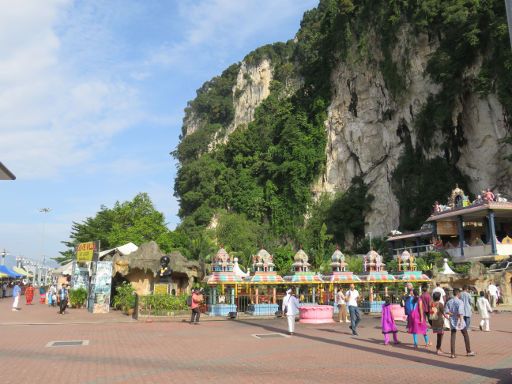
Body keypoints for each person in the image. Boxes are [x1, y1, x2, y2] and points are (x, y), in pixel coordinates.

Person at [444, 288, 475, 358]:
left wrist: (452, 314)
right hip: (459, 319)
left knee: (453, 335)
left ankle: (452, 353)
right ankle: (468, 351)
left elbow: (446, 311)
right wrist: (461, 321)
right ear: (458, 294)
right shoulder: (460, 302)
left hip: (452, 320)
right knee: (465, 334)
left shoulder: (449, 301)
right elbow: (461, 312)